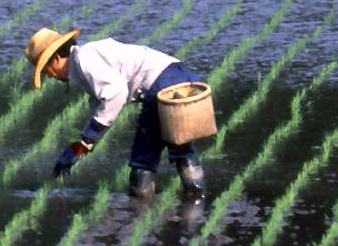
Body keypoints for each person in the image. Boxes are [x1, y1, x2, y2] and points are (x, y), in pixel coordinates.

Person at [24, 27, 206, 199]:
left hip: (161, 84)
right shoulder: (86, 61)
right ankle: (196, 203)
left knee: (144, 158)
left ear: (55, 59)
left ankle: (140, 209)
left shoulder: (84, 59)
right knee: (181, 147)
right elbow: (100, 108)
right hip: (181, 76)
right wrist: (80, 147)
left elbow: (116, 93)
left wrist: (88, 137)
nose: (50, 76)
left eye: (46, 70)